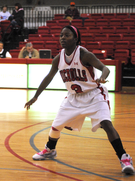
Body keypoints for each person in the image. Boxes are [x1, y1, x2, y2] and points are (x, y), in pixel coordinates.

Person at [24, 25, 134, 175]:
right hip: (73, 98)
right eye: (61, 35)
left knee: (106, 124)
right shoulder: (58, 58)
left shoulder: (84, 54)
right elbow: (48, 77)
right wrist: (35, 96)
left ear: (76, 39)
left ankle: (124, 157)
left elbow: (105, 68)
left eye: (67, 35)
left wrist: (102, 77)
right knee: (56, 126)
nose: (63, 38)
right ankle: (50, 150)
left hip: (94, 95)